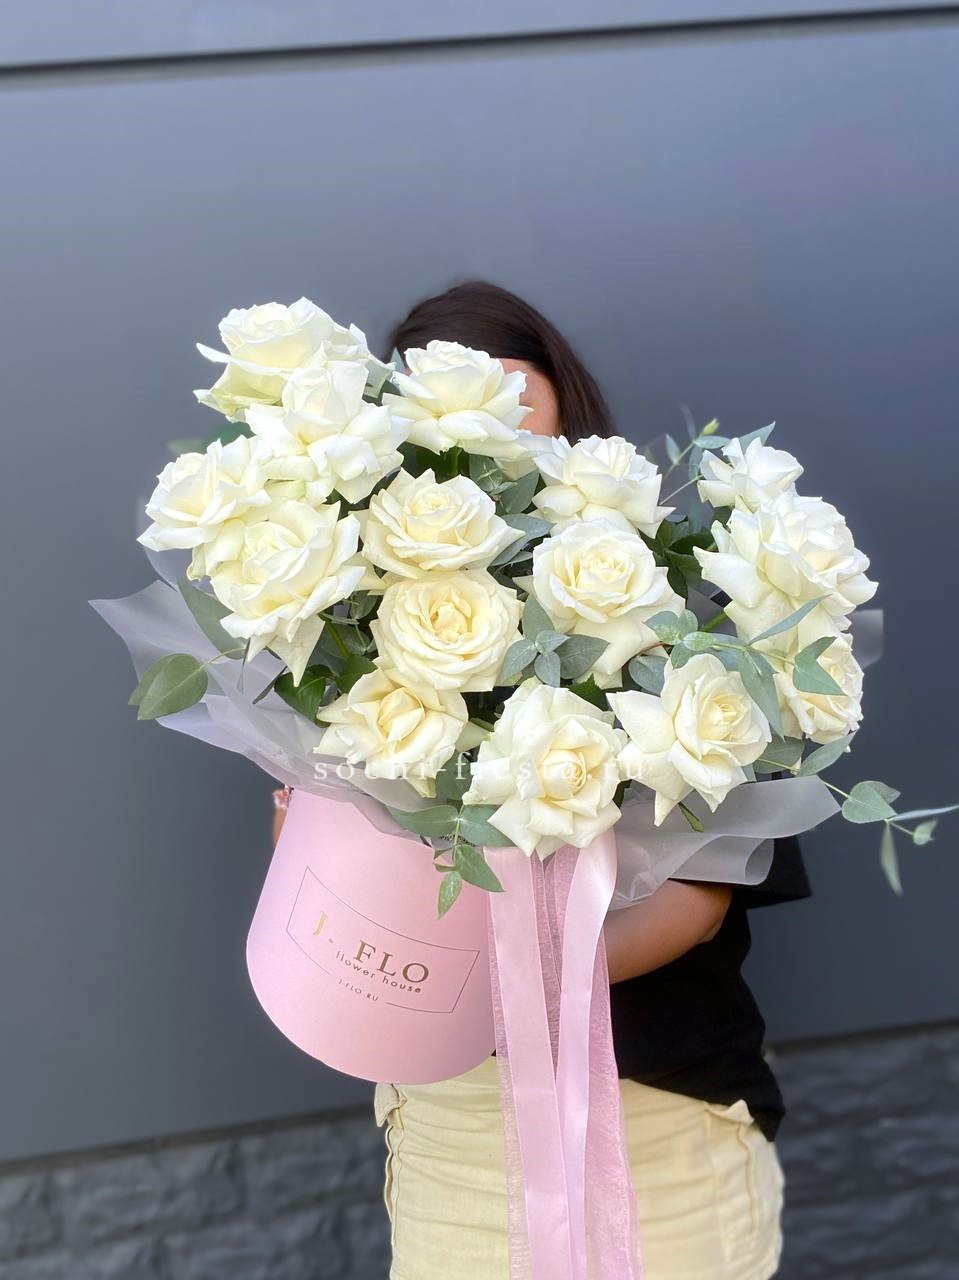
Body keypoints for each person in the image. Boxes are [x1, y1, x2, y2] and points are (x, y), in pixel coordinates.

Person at [277, 281, 809, 1279]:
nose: (479, 413)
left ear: (562, 392)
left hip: (656, 1106)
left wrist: (507, 982)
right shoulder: (360, 626)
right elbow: (323, 852)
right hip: (453, 1117)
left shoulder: (680, 603)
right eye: (437, 394)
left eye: (505, 383)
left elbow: (698, 897)